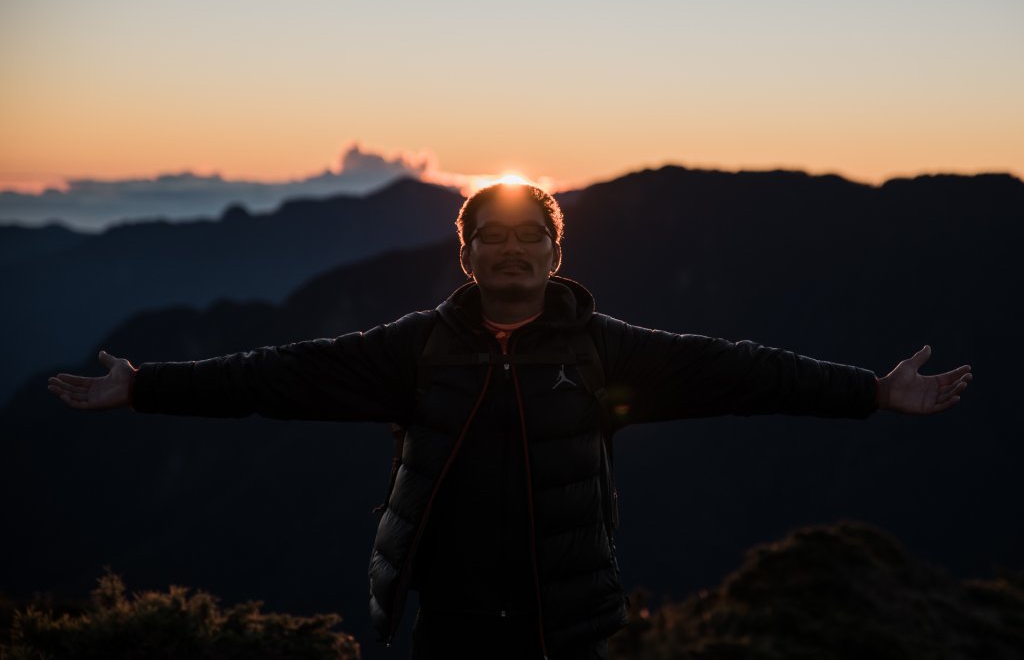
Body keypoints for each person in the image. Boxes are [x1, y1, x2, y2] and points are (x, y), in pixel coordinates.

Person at [48, 182, 973, 660]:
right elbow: (284, 374)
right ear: (466, 254)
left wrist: (871, 391)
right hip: (451, 627)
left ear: (556, 251)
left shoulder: (601, 349)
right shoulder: (416, 349)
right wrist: (150, 384)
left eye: (530, 237)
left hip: (564, 627)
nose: (512, 251)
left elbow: (734, 369)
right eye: (492, 238)